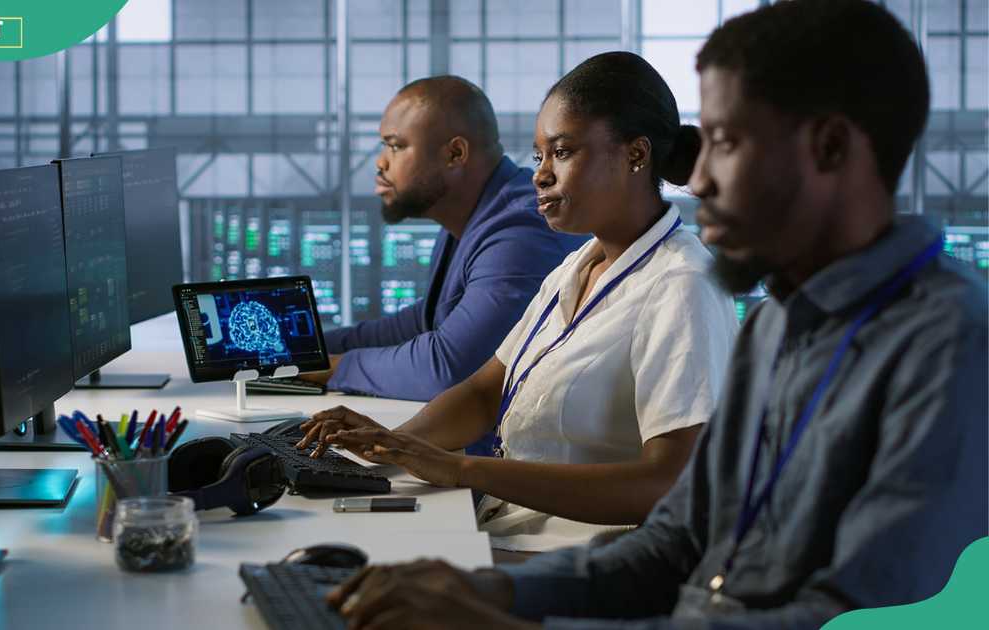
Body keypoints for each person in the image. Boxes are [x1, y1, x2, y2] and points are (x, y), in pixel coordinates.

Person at [320, 1, 989, 628]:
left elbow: (844, 615)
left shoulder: (947, 340)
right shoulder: (784, 323)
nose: (699, 180)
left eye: (727, 143)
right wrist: (491, 593)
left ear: (832, 149)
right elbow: (677, 543)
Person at [300, 52, 738, 553]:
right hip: (506, 527)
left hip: (581, 557)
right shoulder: (576, 268)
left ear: (636, 156)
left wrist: (461, 468)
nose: (541, 175)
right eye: (538, 156)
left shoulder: (682, 285)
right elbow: (487, 390)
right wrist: (390, 443)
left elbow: (670, 485)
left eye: (563, 152)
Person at [303, 76, 586, 405]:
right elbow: (426, 320)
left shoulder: (522, 230)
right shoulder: (473, 218)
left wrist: (336, 367)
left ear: (455, 153)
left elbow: (449, 369)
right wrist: (312, 348)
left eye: (396, 146)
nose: (380, 162)